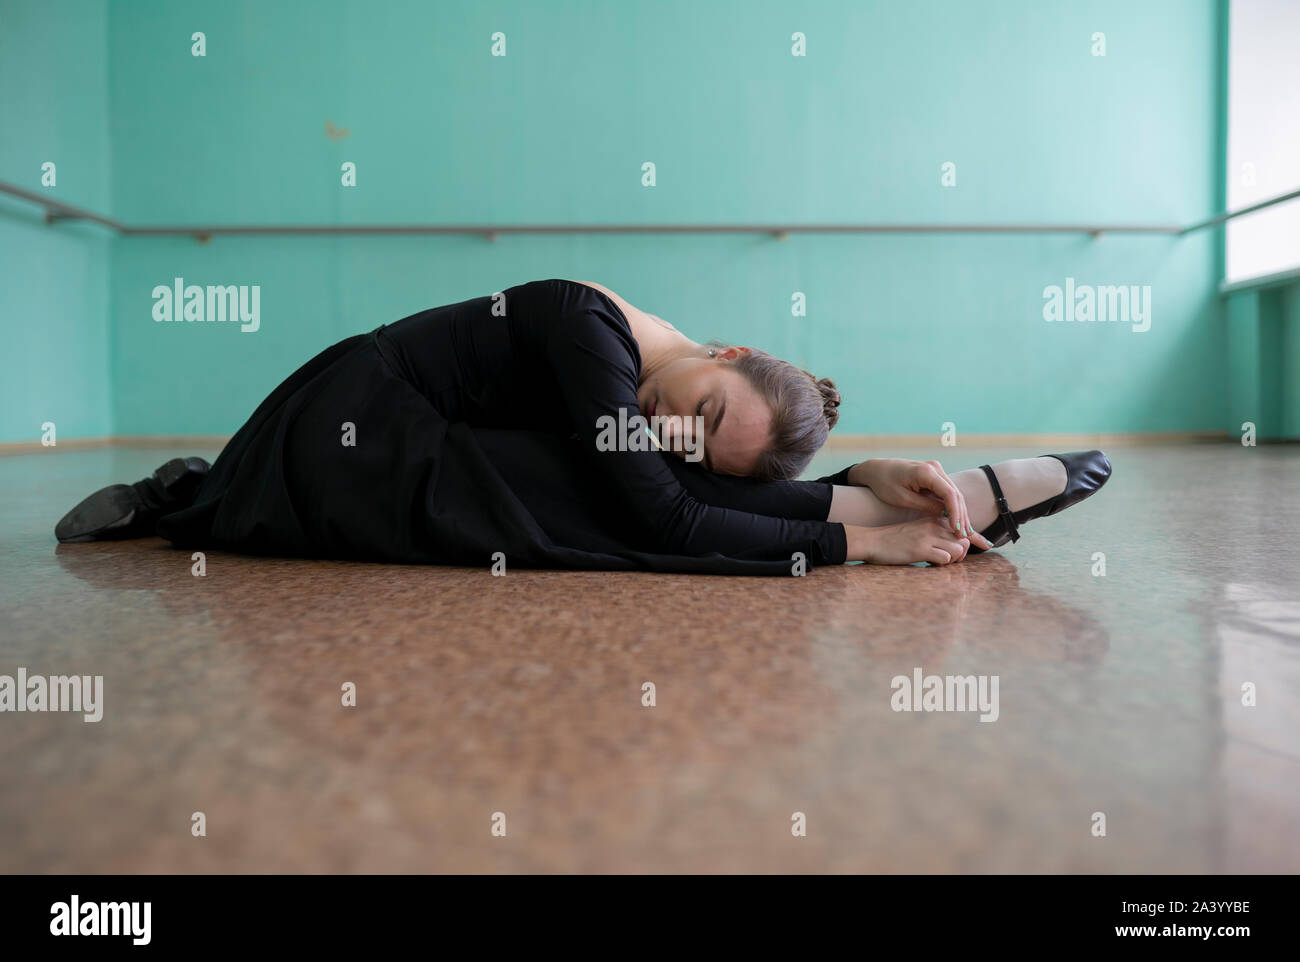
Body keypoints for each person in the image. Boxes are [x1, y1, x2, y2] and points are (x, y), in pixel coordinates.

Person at [54, 278, 1111, 575]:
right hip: (348, 431)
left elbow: (689, 482)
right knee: (598, 495)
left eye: (698, 435)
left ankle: (905, 493)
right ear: (726, 347)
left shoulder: (670, 402)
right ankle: (941, 508)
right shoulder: (581, 326)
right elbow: (665, 507)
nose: (673, 426)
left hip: (433, 452)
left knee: (620, 484)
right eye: (697, 408)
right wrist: (857, 539)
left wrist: (870, 467)